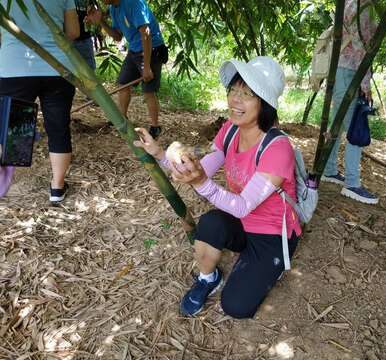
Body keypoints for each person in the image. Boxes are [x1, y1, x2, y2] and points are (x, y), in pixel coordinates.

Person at [134, 56, 301, 318]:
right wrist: (159, 154)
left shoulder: (277, 148)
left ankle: (270, 264)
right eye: (233, 90)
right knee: (211, 223)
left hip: (271, 232)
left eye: (245, 94)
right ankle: (208, 278)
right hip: (242, 221)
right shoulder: (231, 130)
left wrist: (201, 183)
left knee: (236, 308)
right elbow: (202, 169)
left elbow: (244, 205)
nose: (235, 99)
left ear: (265, 103)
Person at [320, 0, 386, 204]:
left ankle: (329, 170)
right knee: (354, 128)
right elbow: (362, 47)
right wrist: (365, 84)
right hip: (349, 72)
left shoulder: (350, 3)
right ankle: (352, 184)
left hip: (341, 71)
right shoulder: (363, 6)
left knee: (338, 123)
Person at [0, 0, 79, 203]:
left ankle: (4, 181)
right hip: (57, 67)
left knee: (14, 128)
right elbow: (73, 32)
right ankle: (57, 189)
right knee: (58, 127)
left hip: (14, 67)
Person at [87, 0, 166, 139]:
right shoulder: (114, 8)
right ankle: (122, 119)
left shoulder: (133, 3)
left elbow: (146, 33)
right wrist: (101, 22)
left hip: (151, 50)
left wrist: (146, 66)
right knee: (123, 84)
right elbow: (118, 36)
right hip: (135, 50)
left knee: (148, 90)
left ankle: (155, 126)